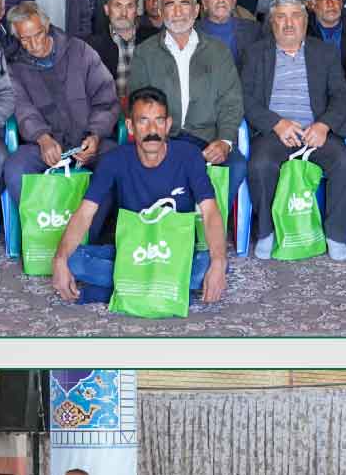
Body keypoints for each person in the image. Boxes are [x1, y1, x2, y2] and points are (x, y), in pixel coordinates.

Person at [47, 85, 229, 308]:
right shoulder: (113, 161)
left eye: (159, 121)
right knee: (73, 260)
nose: (152, 129)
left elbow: (210, 212)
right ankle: (165, 287)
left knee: (210, 264)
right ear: (130, 126)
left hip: (176, 253)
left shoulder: (189, 156)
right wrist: (60, 259)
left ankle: (123, 286)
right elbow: (85, 213)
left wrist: (219, 262)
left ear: (168, 124)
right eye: (143, 121)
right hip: (132, 252)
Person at [235, 0, 346, 257]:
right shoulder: (256, 53)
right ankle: (266, 231)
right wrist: (276, 124)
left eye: (295, 16)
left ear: (305, 20)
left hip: (316, 129)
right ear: (272, 22)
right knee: (260, 164)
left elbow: (342, 95)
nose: (289, 23)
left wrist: (324, 125)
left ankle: (336, 235)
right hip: (274, 132)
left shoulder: (324, 52)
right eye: (281, 17)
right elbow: (244, 98)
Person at [1, 0, 119, 201]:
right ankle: (42, 226)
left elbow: (106, 98)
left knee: (118, 164)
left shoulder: (80, 51)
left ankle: (88, 231)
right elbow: (23, 109)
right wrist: (43, 139)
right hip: (45, 144)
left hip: (88, 141)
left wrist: (95, 135)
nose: (34, 44)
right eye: (25, 39)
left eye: (37, 34)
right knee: (15, 167)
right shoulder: (15, 67)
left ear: (46, 28)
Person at [129, 0, 245, 181]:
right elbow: (137, 105)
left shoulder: (218, 52)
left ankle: (208, 214)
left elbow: (231, 103)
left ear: (197, 9)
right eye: (169, 4)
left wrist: (224, 141)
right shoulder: (145, 53)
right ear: (160, 11)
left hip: (206, 140)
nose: (177, 11)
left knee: (236, 166)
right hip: (161, 140)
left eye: (184, 3)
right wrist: (155, 140)